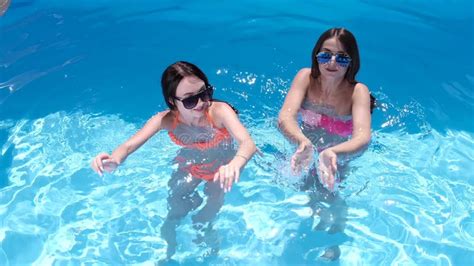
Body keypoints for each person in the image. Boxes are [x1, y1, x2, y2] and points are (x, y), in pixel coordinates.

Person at [91, 61, 256, 259]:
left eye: (205, 93)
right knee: (174, 210)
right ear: (172, 102)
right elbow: (128, 146)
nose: (202, 103)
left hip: (222, 165)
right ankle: (168, 255)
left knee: (203, 218)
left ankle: (212, 253)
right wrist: (114, 159)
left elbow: (248, 143)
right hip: (192, 162)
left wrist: (234, 164)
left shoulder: (219, 112)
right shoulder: (167, 120)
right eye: (189, 100)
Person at [278, 28, 374, 261]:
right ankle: (313, 218)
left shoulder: (357, 92)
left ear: (351, 62)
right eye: (325, 55)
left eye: (341, 57)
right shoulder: (305, 78)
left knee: (331, 193)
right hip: (307, 144)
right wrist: (303, 142)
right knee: (301, 185)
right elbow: (285, 118)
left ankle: (336, 237)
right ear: (316, 56)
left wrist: (333, 152)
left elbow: (362, 137)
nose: (332, 62)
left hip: (337, 151)